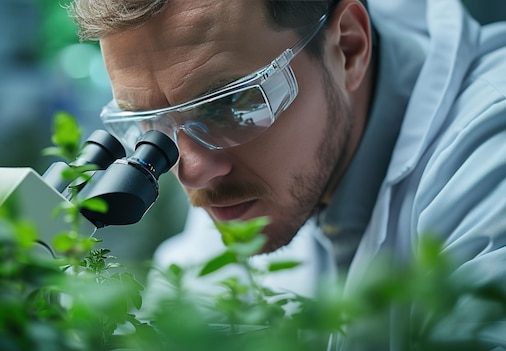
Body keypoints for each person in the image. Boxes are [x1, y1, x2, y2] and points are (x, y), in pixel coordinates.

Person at [68, 0, 506, 348]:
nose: (194, 171)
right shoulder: (246, 176)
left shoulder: (490, 156)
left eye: (231, 105)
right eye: (154, 124)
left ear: (349, 47)